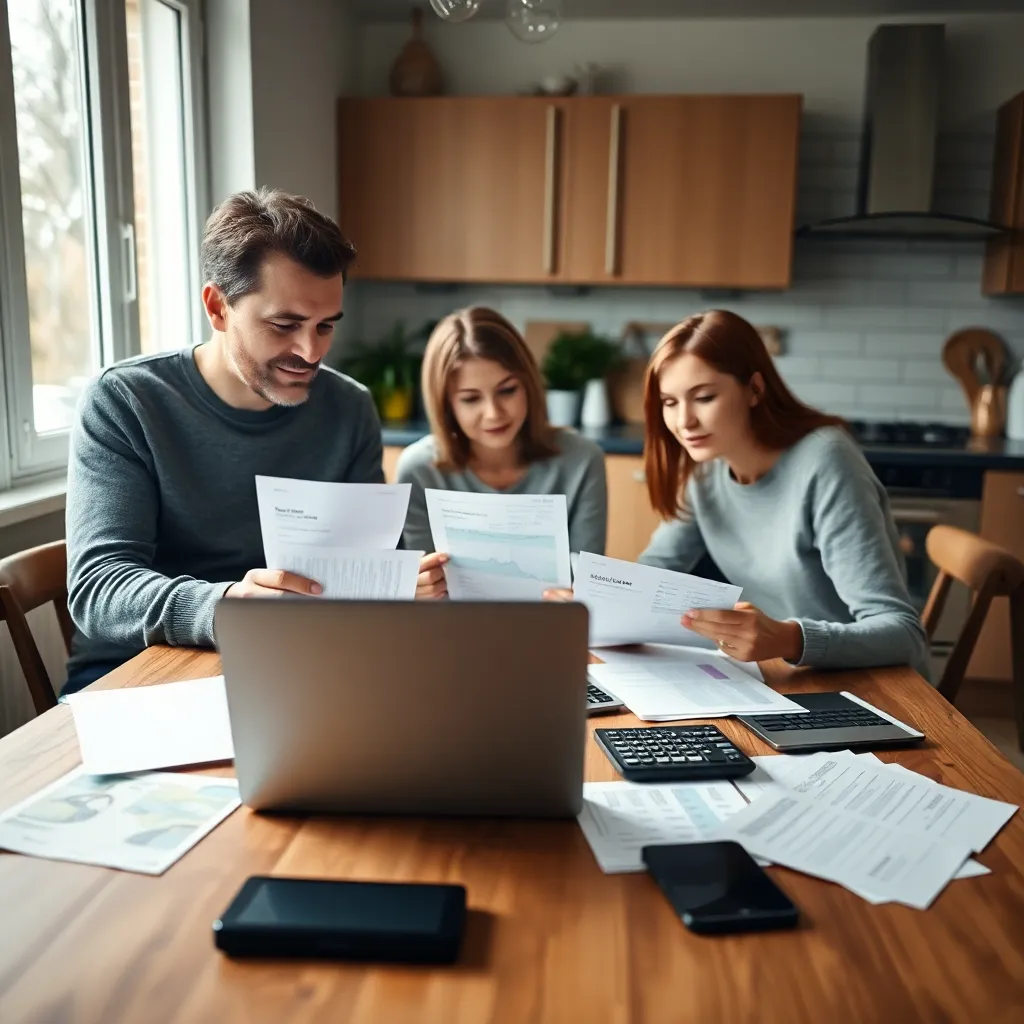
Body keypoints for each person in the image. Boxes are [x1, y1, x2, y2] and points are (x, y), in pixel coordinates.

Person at [64, 188, 388, 693]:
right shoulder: (126, 402)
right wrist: (228, 606)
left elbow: (370, 564)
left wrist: (406, 581)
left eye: (325, 326)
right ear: (218, 307)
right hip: (142, 674)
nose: (310, 350)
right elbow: (99, 589)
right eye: (285, 325)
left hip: (295, 668)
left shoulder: (350, 408)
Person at [553, 309, 930, 679]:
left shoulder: (825, 460)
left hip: (870, 687)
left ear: (754, 389)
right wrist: (595, 600)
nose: (684, 422)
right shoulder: (704, 471)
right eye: (670, 403)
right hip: (780, 679)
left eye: (703, 397)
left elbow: (903, 634)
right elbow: (656, 576)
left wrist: (788, 638)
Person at [398, 307, 607, 599]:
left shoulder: (582, 460)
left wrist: (580, 596)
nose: (494, 414)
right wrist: (416, 588)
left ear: (528, 386)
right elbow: (426, 594)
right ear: (446, 405)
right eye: (471, 399)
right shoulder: (418, 469)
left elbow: (587, 582)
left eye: (507, 391)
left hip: (550, 630)